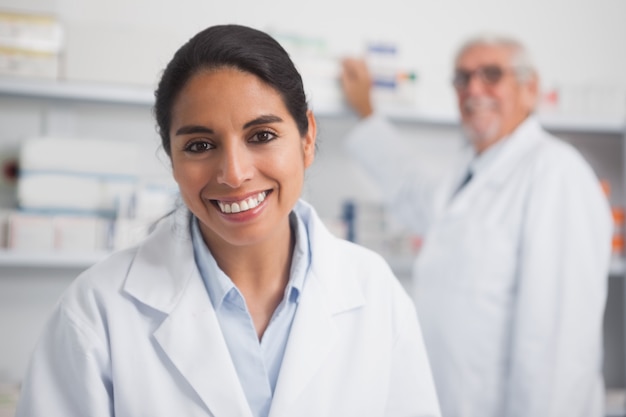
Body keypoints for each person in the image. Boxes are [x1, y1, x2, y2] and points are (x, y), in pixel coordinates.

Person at [15, 24, 441, 417]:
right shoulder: (97, 310)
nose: (234, 174)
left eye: (262, 136)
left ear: (307, 138)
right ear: (172, 160)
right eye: (200, 145)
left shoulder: (375, 292)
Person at [340, 34, 612, 417]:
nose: (474, 89)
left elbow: (557, 349)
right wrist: (367, 112)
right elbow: (410, 187)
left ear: (529, 89)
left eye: (491, 75)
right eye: (463, 78)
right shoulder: (465, 172)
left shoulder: (556, 174)